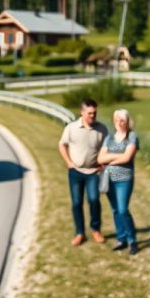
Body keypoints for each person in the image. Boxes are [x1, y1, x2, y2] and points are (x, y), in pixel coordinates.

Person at [58, 98, 109, 246]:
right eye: (90, 113)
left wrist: (103, 163)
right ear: (82, 112)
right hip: (75, 173)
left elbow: (106, 149)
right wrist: (69, 163)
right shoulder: (71, 128)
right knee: (76, 203)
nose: (93, 116)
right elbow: (62, 145)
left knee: (94, 200)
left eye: (95, 113)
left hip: (93, 172)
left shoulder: (102, 129)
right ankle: (79, 233)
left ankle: (96, 229)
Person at [97, 108, 140, 254]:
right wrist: (118, 156)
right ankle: (121, 239)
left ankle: (132, 240)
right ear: (114, 121)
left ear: (127, 121)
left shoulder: (132, 136)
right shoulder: (108, 138)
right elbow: (100, 159)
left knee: (123, 209)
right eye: (117, 120)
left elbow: (127, 158)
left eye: (122, 120)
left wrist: (110, 157)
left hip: (124, 179)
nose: (119, 123)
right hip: (109, 179)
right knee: (115, 210)